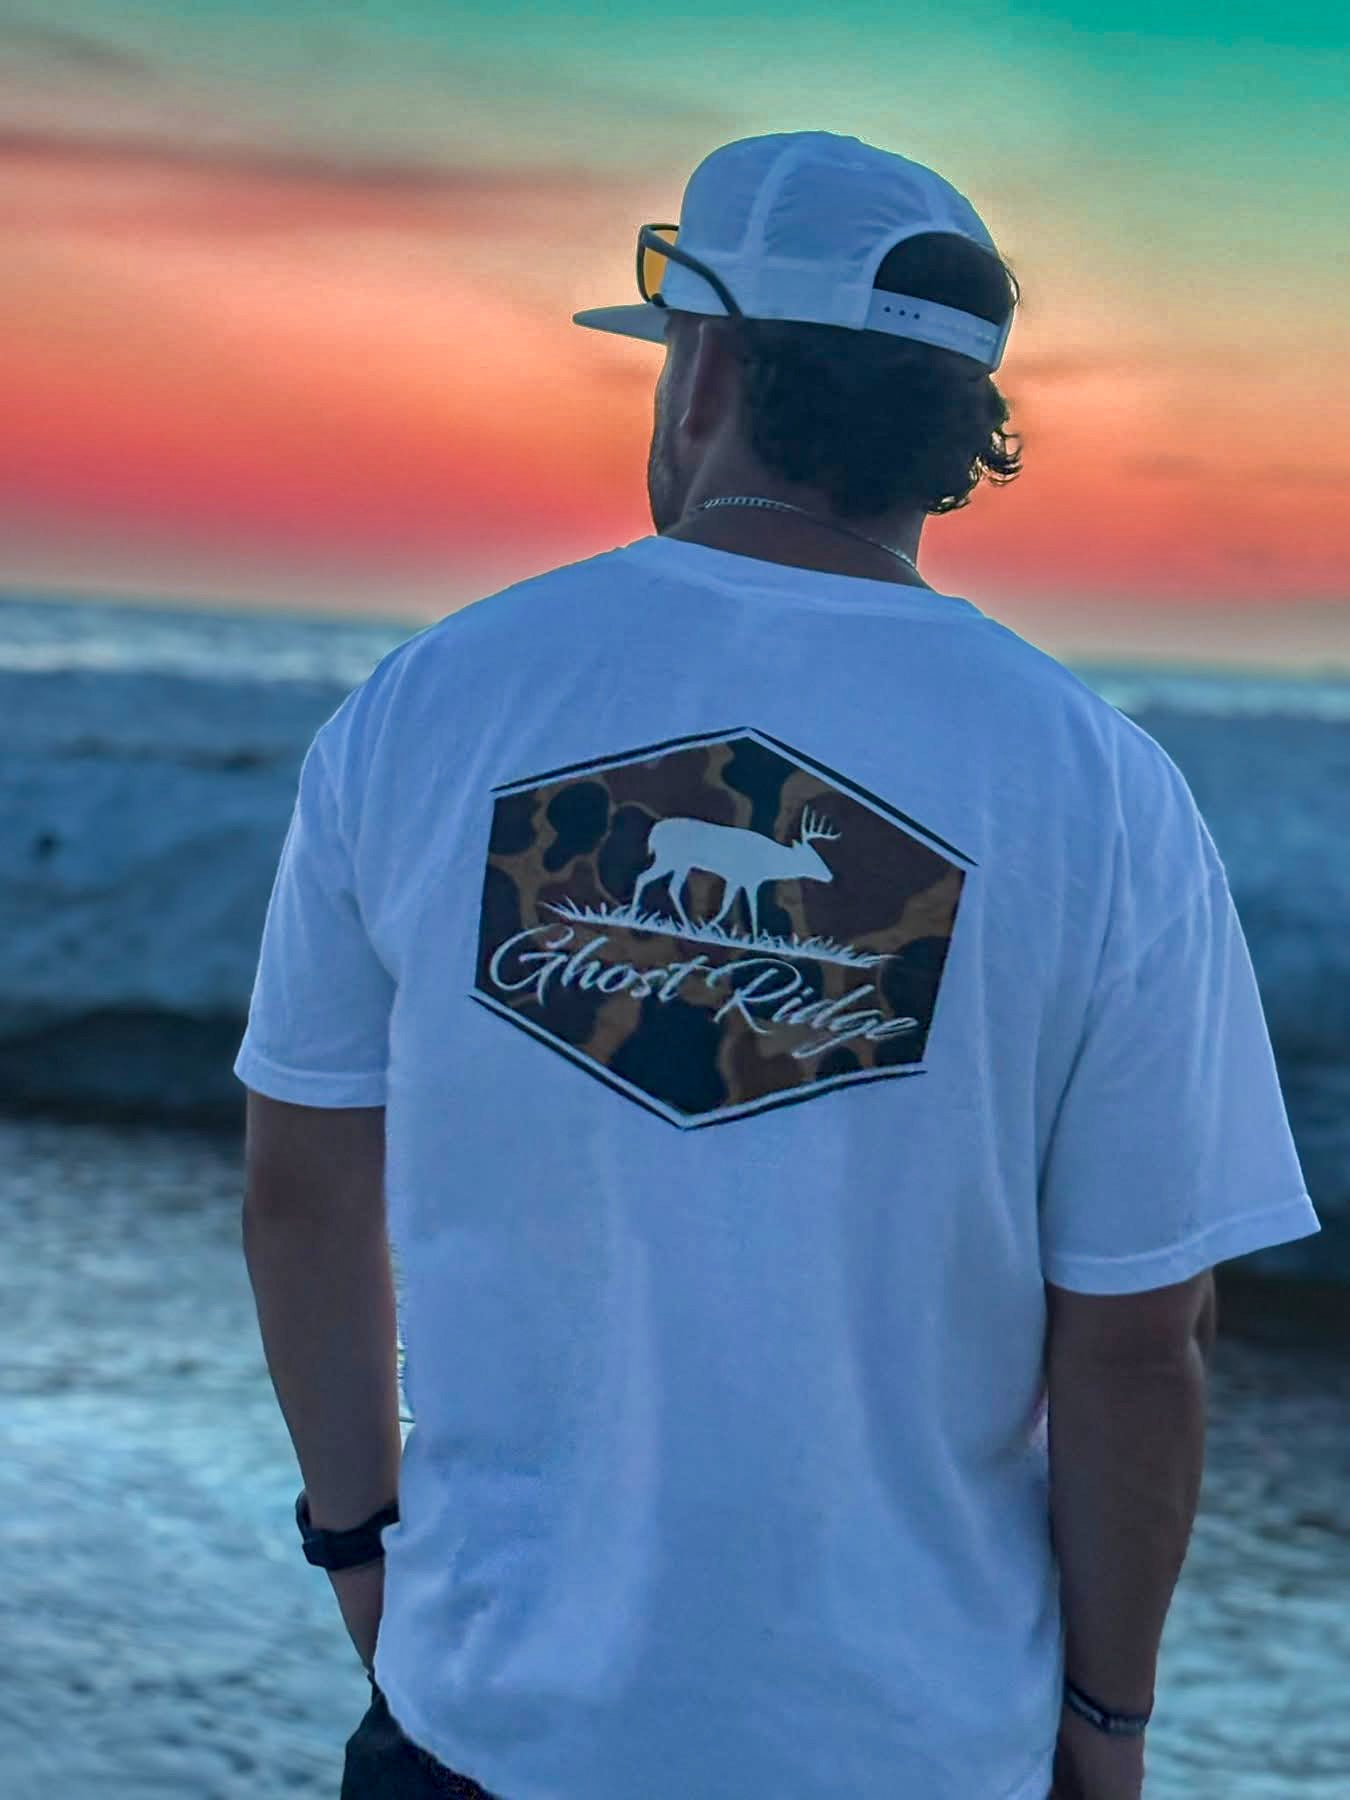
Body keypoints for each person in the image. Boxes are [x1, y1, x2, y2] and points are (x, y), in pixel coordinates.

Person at [236, 130, 1321, 1800]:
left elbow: (301, 1188)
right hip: (908, 1745)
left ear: (709, 371)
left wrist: (357, 1544)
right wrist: (1107, 1721)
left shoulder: (429, 703)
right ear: (948, 433)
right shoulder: (1101, 788)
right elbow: (1136, 1338)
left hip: (487, 1711)